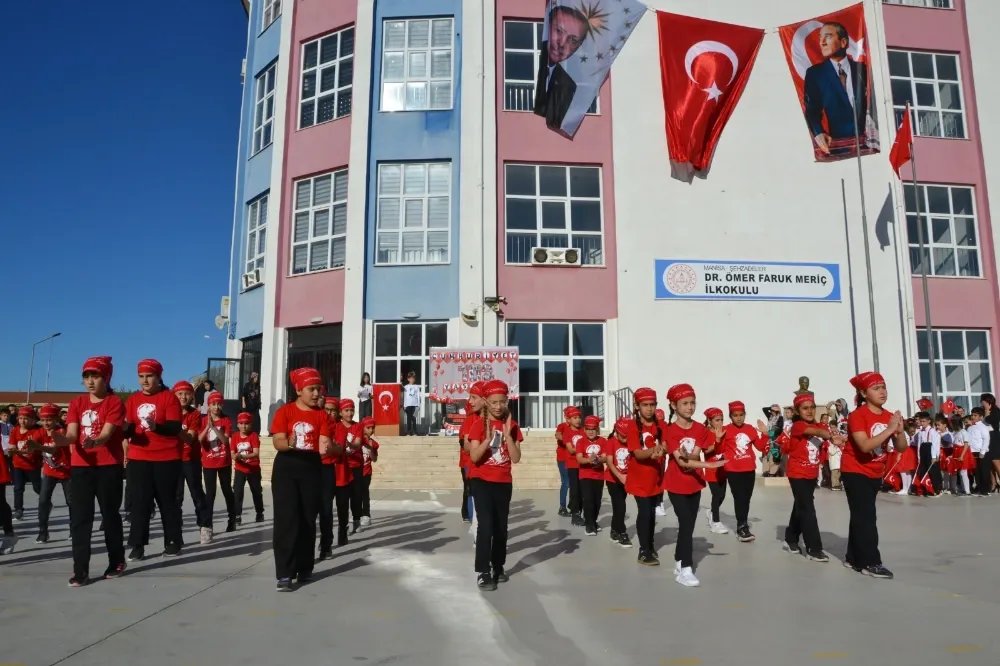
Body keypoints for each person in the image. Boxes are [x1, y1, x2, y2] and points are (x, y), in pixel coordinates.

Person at [55, 356, 127, 585]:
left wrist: (96, 442)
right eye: (86, 377)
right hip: (81, 468)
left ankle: (116, 561)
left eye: (95, 376)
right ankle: (80, 571)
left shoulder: (114, 403)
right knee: (80, 520)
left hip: (108, 467)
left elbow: (106, 433)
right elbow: (72, 435)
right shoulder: (76, 403)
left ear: (106, 378)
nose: (90, 381)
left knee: (110, 516)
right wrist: (59, 439)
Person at [270, 367, 333, 591]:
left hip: (311, 468)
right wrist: (289, 443)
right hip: (286, 467)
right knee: (286, 520)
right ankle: (285, 573)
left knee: (308, 519)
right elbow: (277, 441)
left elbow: (325, 443)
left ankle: (305, 567)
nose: (316, 393)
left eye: (318, 389)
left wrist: (328, 447)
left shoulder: (322, 415)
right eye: (311, 389)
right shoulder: (284, 412)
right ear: (299, 390)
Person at [844, 371, 906, 579]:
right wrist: (889, 430)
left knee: (861, 515)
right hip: (855, 470)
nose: (882, 391)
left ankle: (853, 557)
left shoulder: (889, 416)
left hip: (875, 471)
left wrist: (900, 431)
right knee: (867, 517)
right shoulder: (857, 416)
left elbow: (901, 447)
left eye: (883, 386)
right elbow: (864, 445)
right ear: (863, 393)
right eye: (876, 388)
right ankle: (870, 562)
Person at [662, 384, 725, 587]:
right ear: (674, 405)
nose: (690, 407)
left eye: (692, 403)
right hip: (675, 484)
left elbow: (695, 453)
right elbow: (681, 462)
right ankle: (686, 568)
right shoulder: (670, 431)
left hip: (695, 483)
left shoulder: (699, 428)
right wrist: (708, 464)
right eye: (685, 403)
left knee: (687, 526)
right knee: (687, 523)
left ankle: (679, 562)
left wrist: (696, 456)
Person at [124, 359, 185, 561]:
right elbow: (130, 426)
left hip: (166, 458)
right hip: (139, 458)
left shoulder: (169, 398)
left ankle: (173, 541)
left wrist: (155, 426)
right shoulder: (132, 400)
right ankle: (137, 545)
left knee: (167, 502)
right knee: (140, 503)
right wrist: (122, 429)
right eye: (141, 376)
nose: (145, 380)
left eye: (149, 376)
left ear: (159, 377)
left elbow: (175, 428)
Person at [466, 379, 522, 591]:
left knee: (501, 527)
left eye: (502, 401)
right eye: (494, 402)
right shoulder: (477, 425)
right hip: (481, 481)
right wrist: (487, 440)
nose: (498, 406)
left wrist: (507, 436)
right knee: (486, 526)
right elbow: (474, 457)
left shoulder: (512, 426)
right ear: (486, 403)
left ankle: (498, 566)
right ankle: (482, 571)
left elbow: (515, 458)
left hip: (503, 482)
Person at [782, 392, 842, 561]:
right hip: (797, 473)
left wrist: (840, 438)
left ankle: (790, 538)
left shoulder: (821, 426)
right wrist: (829, 435)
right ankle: (814, 548)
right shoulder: (798, 426)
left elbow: (828, 437)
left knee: (801, 506)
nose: (809, 411)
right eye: (805, 408)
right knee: (808, 508)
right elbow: (814, 431)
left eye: (812, 407)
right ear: (797, 411)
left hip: (811, 473)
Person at [803, 21, 871, 156]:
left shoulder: (862, 69)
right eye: (820, 38)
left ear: (843, 42)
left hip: (869, 143)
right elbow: (812, 109)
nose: (822, 42)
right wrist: (818, 132)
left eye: (827, 37)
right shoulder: (816, 74)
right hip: (839, 148)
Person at [625, 387, 666, 566]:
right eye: (645, 405)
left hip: (655, 478)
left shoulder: (660, 425)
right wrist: (654, 451)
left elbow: (667, 444)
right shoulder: (632, 426)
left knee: (651, 513)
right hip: (639, 478)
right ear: (637, 406)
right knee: (645, 513)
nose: (649, 408)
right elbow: (637, 453)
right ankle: (644, 550)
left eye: (652, 405)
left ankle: (650, 545)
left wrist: (662, 449)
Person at [719, 401, 770, 542]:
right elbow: (719, 449)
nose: (739, 418)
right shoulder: (726, 430)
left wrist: (765, 433)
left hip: (749, 469)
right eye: (735, 415)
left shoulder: (750, 429)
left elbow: (760, 447)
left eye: (741, 415)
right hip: (733, 470)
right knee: (739, 498)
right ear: (730, 416)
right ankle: (741, 527)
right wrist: (717, 438)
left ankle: (744, 523)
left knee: (746, 499)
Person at [533, 4, 587, 131]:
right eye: (559, 31)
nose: (562, 43)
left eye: (572, 40)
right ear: (548, 28)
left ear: (578, 47)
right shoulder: (523, 62)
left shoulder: (571, 84)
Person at [173, 381, 211, 544]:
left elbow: (190, 438)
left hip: (191, 460)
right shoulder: (168, 414)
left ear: (192, 396)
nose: (183, 397)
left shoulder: (194, 414)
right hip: (173, 461)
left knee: (197, 493)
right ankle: (176, 530)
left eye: (186, 393)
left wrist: (174, 428)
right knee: (176, 497)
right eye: (179, 394)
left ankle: (205, 526)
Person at [30, 404, 72, 543]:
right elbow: (29, 449)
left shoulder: (61, 431)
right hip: (49, 471)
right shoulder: (39, 432)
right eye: (43, 420)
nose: (46, 423)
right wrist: (19, 451)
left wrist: (37, 447)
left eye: (49, 420)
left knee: (71, 501)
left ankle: (74, 529)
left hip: (66, 471)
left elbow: (52, 450)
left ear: (56, 419)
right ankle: (43, 531)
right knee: (43, 501)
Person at [199, 392, 236, 537]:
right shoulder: (202, 421)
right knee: (210, 494)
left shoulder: (226, 420)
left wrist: (214, 428)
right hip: (208, 462)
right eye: (213, 404)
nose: (216, 407)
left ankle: (232, 519)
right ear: (208, 405)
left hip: (223, 462)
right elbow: (200, 441)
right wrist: (208, 427)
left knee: (227, 491)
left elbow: (226, 441)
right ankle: (208, 525)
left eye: (218, 404)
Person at [7, 405, 43, 522]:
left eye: (26, 418)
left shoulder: (37, 432)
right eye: (21, 418)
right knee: (18, 488)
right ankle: (18, 510)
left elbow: (31, 450)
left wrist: (17, 451)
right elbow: (12, 445)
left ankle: (46, 502)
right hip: (17, 465)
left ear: (33, 420)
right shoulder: (15, 430)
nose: (23, 421)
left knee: (37, 487)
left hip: (33, 465)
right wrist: (11, 451)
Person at [231, 412, 265, 524]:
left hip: (253, 469)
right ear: (238, 424)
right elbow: (232, 453)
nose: (244, 426)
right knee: (238, 492)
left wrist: (242, 456)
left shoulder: (254, 436)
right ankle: (237, 515)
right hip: (240, 469)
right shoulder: (235, 436)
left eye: (246, 423)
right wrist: (235, 457)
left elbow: (256, 453)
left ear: (251, 424)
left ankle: (259, 513)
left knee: (256, 492)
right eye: (241, 423)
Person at [318, 396, 340, 559]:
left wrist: (330, 447)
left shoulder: (337, 426)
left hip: (327, 468)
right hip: (311, 467)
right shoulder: (314, 420)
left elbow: (340, 449)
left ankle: (326, 544)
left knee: (326, 508)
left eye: (333, 410)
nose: (330, 412)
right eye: (327, 409)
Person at [576, 414, 606, 536]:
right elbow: (579, 459)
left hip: (599, 475)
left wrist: (598, 460)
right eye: (588, 429)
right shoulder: (580, 441)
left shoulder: (603, 441)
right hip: (585, 475)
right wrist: (589, 460)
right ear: (584, 430)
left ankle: (593, 521)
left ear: (597, 430)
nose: (590, 432)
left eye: (593, 429)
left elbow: (605, 457)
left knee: (597, 501)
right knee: (588, 500)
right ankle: (589, 525)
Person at [604, 416, 631, 548]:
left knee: (618, 507)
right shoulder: (611, 442)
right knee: (620, 506)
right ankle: (622, 533)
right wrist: (620, 476)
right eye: (623, 436)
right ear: (617, 432)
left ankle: (614, 531)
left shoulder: (632, 442)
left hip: (626, 479)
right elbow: (609, 462)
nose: (625, 439)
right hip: (613, 479)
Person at [702, 407, 728, 534]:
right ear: (710, 421)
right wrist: (717, 441)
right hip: (712, 469)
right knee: (716, 495)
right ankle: (715, 522)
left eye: (722, 420)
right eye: (717, 420)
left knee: (722, 495)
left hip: (723, 469)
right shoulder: (706, 433)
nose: (720, 422)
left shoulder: (725, 431)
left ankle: (711, 511)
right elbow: (706, 450)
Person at [557, 406, 584, 525]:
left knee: (576, 486)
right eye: (574, 417)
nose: (577, 419)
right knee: (566, 482)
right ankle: (563, 507)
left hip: (578, 460)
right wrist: (567, 440)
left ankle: (572, 505)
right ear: (567, 418)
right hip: (564, 458)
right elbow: (558, 435)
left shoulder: (581, 429)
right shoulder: (563, 426)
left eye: (579, 417)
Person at [967, 407, 991, 497]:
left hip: (981, 452)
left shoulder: (983, 427)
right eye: (972, 415)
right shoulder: (970, 427)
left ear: (981, 417)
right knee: (976, 471)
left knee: (983, 471)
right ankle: (979, 487)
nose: (973, 417)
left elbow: (986, 439)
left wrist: (983, 452)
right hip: (972, 452)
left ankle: (985, 489)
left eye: (975, 415)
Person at [359, 416, 379, 522]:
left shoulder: (374, 444)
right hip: (356, 471)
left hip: (366, 471)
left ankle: (366, 514)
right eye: (368, 427)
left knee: (365, 492)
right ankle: (356, 513)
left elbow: (374, 459)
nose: (371, 430)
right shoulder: (357, 440)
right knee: (355, 493)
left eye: (372, 428)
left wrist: (371, 448)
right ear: (362, 427)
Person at [402, 372, 422, 436]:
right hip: (408, 405)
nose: (412, 380)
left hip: (415, 405)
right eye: (410, 378)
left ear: (414, 379)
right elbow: (405, 396)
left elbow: (418, 396)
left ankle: (415, 431)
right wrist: (404, 405)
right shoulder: (406, 387)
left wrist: (418, 405)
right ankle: (408, 431)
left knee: (414, 418)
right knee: (409, 418)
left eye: (413, 378)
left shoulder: (416, 387)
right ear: (408, 379)